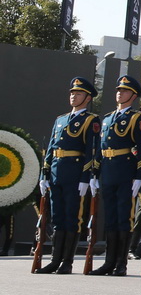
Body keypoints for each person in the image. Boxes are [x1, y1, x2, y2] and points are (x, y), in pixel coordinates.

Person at [34, 77, 100, 274]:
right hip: (56, 173)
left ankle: (67, 262)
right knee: (57, 218)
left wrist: (85, 178)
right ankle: (55, 259)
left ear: (87, 98)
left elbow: (92, 150)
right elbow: (50, 149)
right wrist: (44, 174)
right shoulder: (60, 119)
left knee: (72, 218)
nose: (73, 96)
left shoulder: (91, 120)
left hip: (74, 174)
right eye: (72, 93)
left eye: (78, 93)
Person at [86, 74, 141, 276]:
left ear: (133, 95)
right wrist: (95, 173)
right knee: (110, 218)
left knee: (124, 218)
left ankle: (121, 263)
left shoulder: (136, 117)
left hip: (125, 171)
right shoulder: (107, 118)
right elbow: (100, 148)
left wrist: (139, 175)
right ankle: (109, 261)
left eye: (123, 90)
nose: (119, 93)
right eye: (118, 90)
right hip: (108, 170)